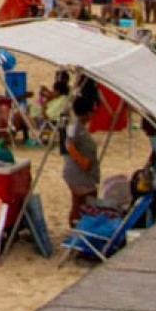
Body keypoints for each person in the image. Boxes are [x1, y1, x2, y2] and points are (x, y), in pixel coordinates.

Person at [61, 97, 101, 226]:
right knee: (84, 202)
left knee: (80, 203)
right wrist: (82, 162)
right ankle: (77, 229)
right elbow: (69, 144)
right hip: (79, 174)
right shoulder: (75, 127)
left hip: (82, 173)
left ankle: (77, 228)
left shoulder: (79, 127)